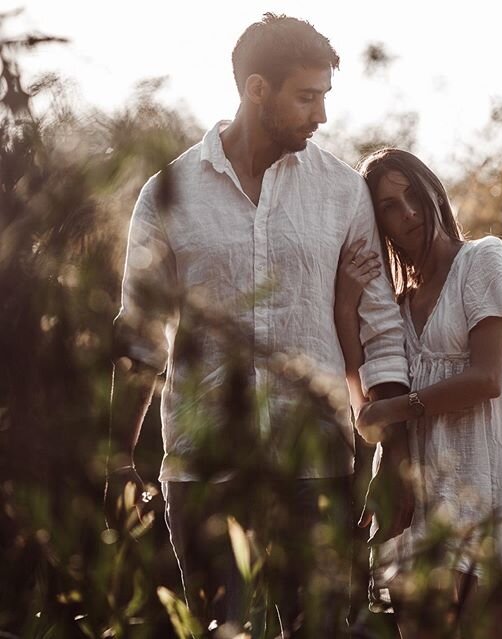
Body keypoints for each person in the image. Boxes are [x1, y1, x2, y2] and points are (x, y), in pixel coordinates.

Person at [104, 14, 413, 639]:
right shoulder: (168, 193)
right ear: (255, 89)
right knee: (221, 630)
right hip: (204, 469)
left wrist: (389, 457)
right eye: (307, 97)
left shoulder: (342, 192)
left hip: (319, 467)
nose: (321, 115)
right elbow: (139, 338)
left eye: (325, 96)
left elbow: (379, 324)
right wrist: (117, 462)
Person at [335, 148, 502, 638]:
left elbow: (487, 379)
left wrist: (396, 407)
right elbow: (362, 401)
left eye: (412, 194)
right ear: (376, 221)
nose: (406, 212)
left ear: (434, 192)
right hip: (413, 497)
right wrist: (346, 305)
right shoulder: (392, 306)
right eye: (388, 205)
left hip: (479, 484)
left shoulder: (484, 259)